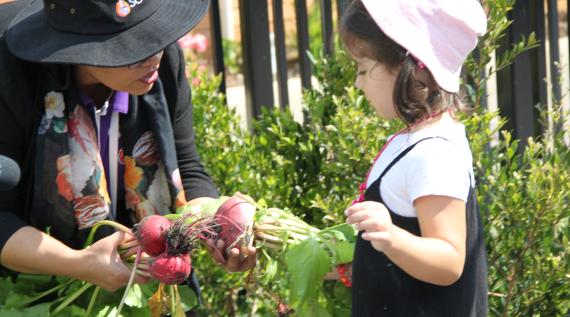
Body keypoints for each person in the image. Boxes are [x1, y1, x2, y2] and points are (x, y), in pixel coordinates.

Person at [0, 0, 255, 296]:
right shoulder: (12, 76)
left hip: (138, 277)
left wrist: (218, 223)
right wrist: (78, 264)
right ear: (80, 46)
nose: (152, 57)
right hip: (33, 284)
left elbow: (185, 166)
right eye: (132, 49)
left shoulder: (163, 62)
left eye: (154, 36)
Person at [340, 0, 488, 316]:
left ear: (412, 68)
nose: (357, 83)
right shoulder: (415, 141)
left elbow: (448, 260)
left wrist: (390, 237)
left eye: (364, 69)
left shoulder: (434, 153)